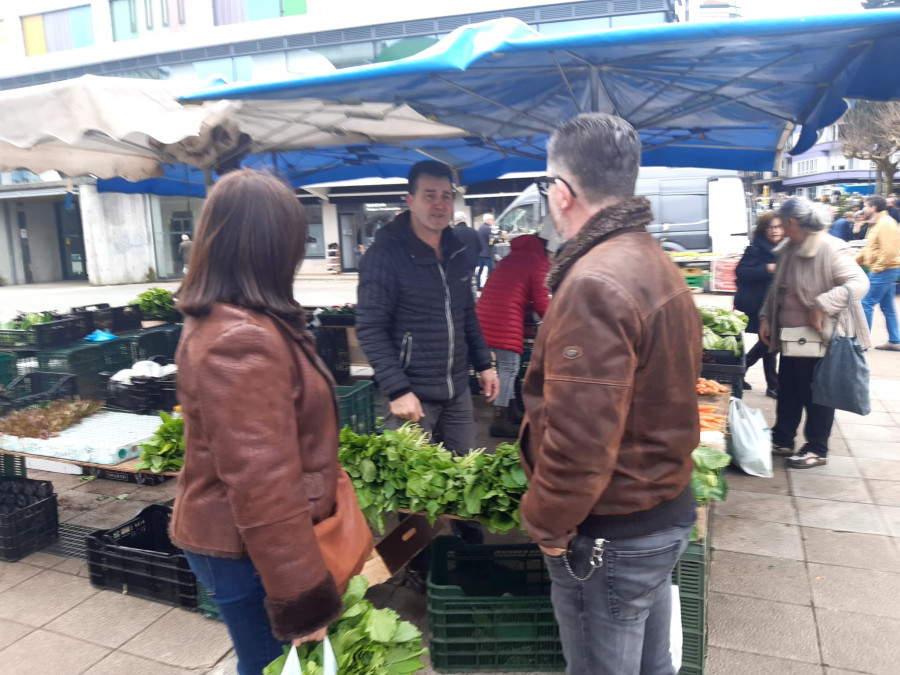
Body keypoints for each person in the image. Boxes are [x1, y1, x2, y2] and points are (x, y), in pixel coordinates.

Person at [518, 113, 702, 675]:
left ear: (562, 193)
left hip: (613, 532)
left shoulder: (596, 281)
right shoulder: (652, 259)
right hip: (659, 510)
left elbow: (580, 441)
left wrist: (547, 524)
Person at [170, 170, 369, 675]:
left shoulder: (235, 319)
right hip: (247, 551)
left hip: (248, 545)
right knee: (270, 666)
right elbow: (262, 484)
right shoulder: (240, 337)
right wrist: (301, 597)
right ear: (267, 247)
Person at [356, 160, 499, 452]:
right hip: (411, 398)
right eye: (429, 195)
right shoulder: (384, 255)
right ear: (410, 201)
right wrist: (397, 390)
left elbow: (466, 313)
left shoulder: (457, 250)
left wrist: (485, 365)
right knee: (411, 491)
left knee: (463, 480)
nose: (439, 204)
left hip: (456, 392)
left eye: (446, 196)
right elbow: (370, 328)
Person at [759, 196, 870, 469]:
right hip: (791, 337)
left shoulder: (830, 248)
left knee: (816, 393)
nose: (780, 229)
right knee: (788, 390)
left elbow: (859, 283)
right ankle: (783, 438)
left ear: (792, 222)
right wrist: (765, 317)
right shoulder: (789, 248)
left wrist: (822, 305)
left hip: (820, 338)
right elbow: (777, 289)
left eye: (782, 224)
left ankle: (817, 448)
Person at [475, 233, 550, 437]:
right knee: (509, 367)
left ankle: (512, 410)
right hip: (503, 317)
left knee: (507, 367)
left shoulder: (510, 258)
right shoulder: (537, 261)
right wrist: (560, 316)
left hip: (485, 313)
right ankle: (500, 419)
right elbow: (542, 302)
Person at [734, 212, 783, 398]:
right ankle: (773, 385)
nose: (775, 230)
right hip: (758, 302)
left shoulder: (784, 247)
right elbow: (741, 271)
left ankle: (740, 372)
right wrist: (768, 268)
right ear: (764, 229)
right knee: (769, 343)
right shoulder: (756, 249)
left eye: (779, 226)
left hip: (775, 302)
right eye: (771, 227)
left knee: (767, 343)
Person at [856, 195, 900, 351]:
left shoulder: (885, 224)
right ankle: (895, 340)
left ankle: (862, 342)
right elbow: (869, 249)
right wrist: (854, 261)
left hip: (884, 269)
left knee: (865, 303)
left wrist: (876, 268)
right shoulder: (878, 223)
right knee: (887, 306)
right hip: (886, 269)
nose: (863, 209)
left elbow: (889, 251)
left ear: (873, 208)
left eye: (865, 206)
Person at [452, 209, 481, 279]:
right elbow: (480, 248)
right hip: (471, 265)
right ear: (466, 219)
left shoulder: (452, 232)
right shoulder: (473, 231)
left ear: (455, 220)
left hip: (456, 266)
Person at [476, 213, 495, 289]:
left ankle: (478, 285)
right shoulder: (488, 229)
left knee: (479, 271)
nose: (493, 220)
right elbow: (490, 241)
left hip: (480, 253)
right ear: (487, 220)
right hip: (487, 254)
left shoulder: (480, 228)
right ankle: (492, 286)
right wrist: (498, 240)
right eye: (492, 219)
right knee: (491, 271)